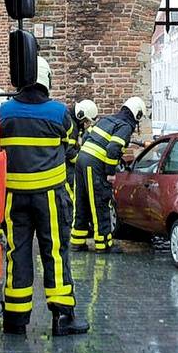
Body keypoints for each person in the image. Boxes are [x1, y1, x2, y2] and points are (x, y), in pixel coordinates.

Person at [0, 57, 89, 337]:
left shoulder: (2, 113)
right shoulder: (60, 113)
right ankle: (62, 318)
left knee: (17, 255)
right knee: (55, 255)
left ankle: (15, 319)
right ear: (46, 79)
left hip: (13, 199)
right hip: (50, 198)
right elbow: (73, 149)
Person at [72, 97, 145, 253]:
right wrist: (110, 172)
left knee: (82, 201)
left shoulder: (108, 120)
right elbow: (113, 148)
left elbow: (86, 136)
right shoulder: (125, 126)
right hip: (95, 164)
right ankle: (103, 244)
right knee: (100, 202)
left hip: (81, 160)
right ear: (137, 114)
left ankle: (77, 241)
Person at [65, 99, 99, 204]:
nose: (87, 124)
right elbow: (69, 152)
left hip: (66, 165)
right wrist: (83, 160)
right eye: (86, 121)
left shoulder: (72, 121)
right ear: (80, 115)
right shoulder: (72, 126)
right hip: (67, 167)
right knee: (73, 198)